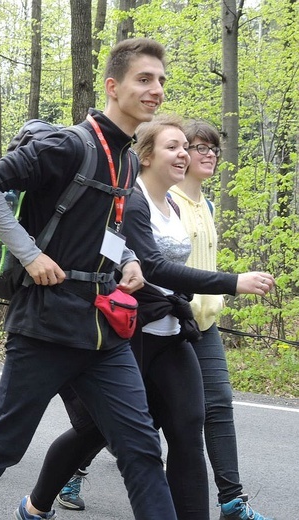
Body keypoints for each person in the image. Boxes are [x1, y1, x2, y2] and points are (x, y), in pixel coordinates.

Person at [0, 39, 177, 520]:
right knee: (1, 448)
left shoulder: (128, 158)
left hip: (104, 332)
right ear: (114, 87)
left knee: (141, 450)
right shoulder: (67, 144)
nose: (155, 90)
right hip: (45, 325)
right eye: (144, 79)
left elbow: (103, 229)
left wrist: (128, 258)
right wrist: (29, 256)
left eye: (160, 81)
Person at [23, 115, 275, 520]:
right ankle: (36, 504)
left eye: (185, 148)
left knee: (188, 431)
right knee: (96, 431)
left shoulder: (173, 203)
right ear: (145, 155)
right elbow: (153, 267)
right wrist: (232, 282)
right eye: (173, 147)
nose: (184, 155)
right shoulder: (133, 200)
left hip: (172, 333)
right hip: (130, 335)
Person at [169, 120, 273, 519]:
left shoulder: (207, 205)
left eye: (213, 147)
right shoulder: (169, 200)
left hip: (205, 326)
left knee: (219, 404)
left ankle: (232, 499)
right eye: (199, 147)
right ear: (182, 154)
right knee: (140, 411)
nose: (209, 153)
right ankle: (72, 469)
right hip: (170, 324)